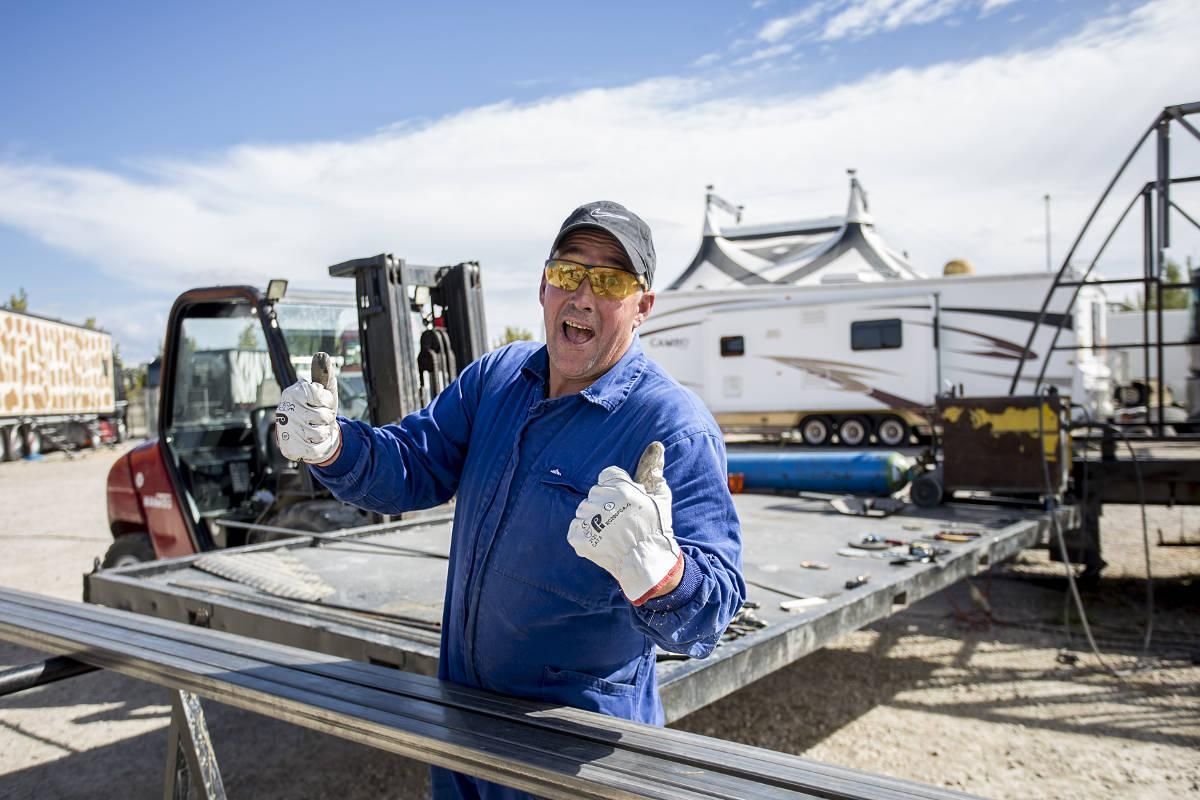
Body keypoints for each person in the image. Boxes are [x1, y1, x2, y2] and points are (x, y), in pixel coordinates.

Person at [275, 200, 745, 800]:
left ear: (642, 307)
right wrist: (334, 445)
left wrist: (661, 572)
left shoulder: (671, 427)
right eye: (568, 272)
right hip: (463, 727)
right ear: (544, 287)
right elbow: (414, 462)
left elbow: (714, 611)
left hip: (573, 756)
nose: (582, 295)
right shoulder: (497, 378)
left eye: (609, 280)